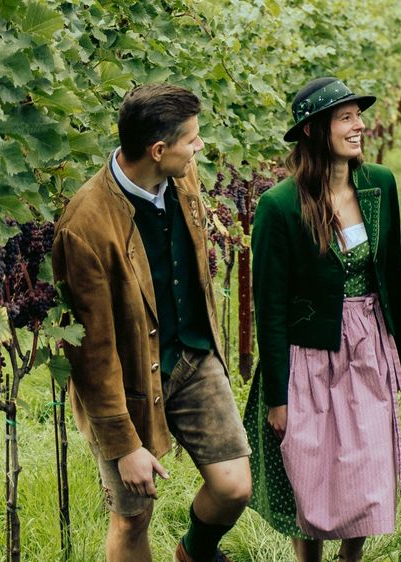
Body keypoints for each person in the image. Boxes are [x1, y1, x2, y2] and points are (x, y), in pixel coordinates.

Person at [52, 84, 251, 562]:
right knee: (133, 518)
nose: (200, 146)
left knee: (234, 486)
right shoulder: (84, 226)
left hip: (192, 356)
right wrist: (123, 446)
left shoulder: (182, 175)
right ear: (158, 150)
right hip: (129, 382)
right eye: (192, 139)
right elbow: (91, 354)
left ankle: (194, 553)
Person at [243, 77, 401, 562]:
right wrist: (277, 397)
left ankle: (351, 558)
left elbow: (392, 274)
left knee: (369, 460)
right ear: (314, 130)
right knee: (310, 465)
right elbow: (269, 308)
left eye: (358, 116)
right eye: (345, 118)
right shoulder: (279, 206)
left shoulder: (379, 184)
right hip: (309, 352)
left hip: (368, 340)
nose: (359, 126)